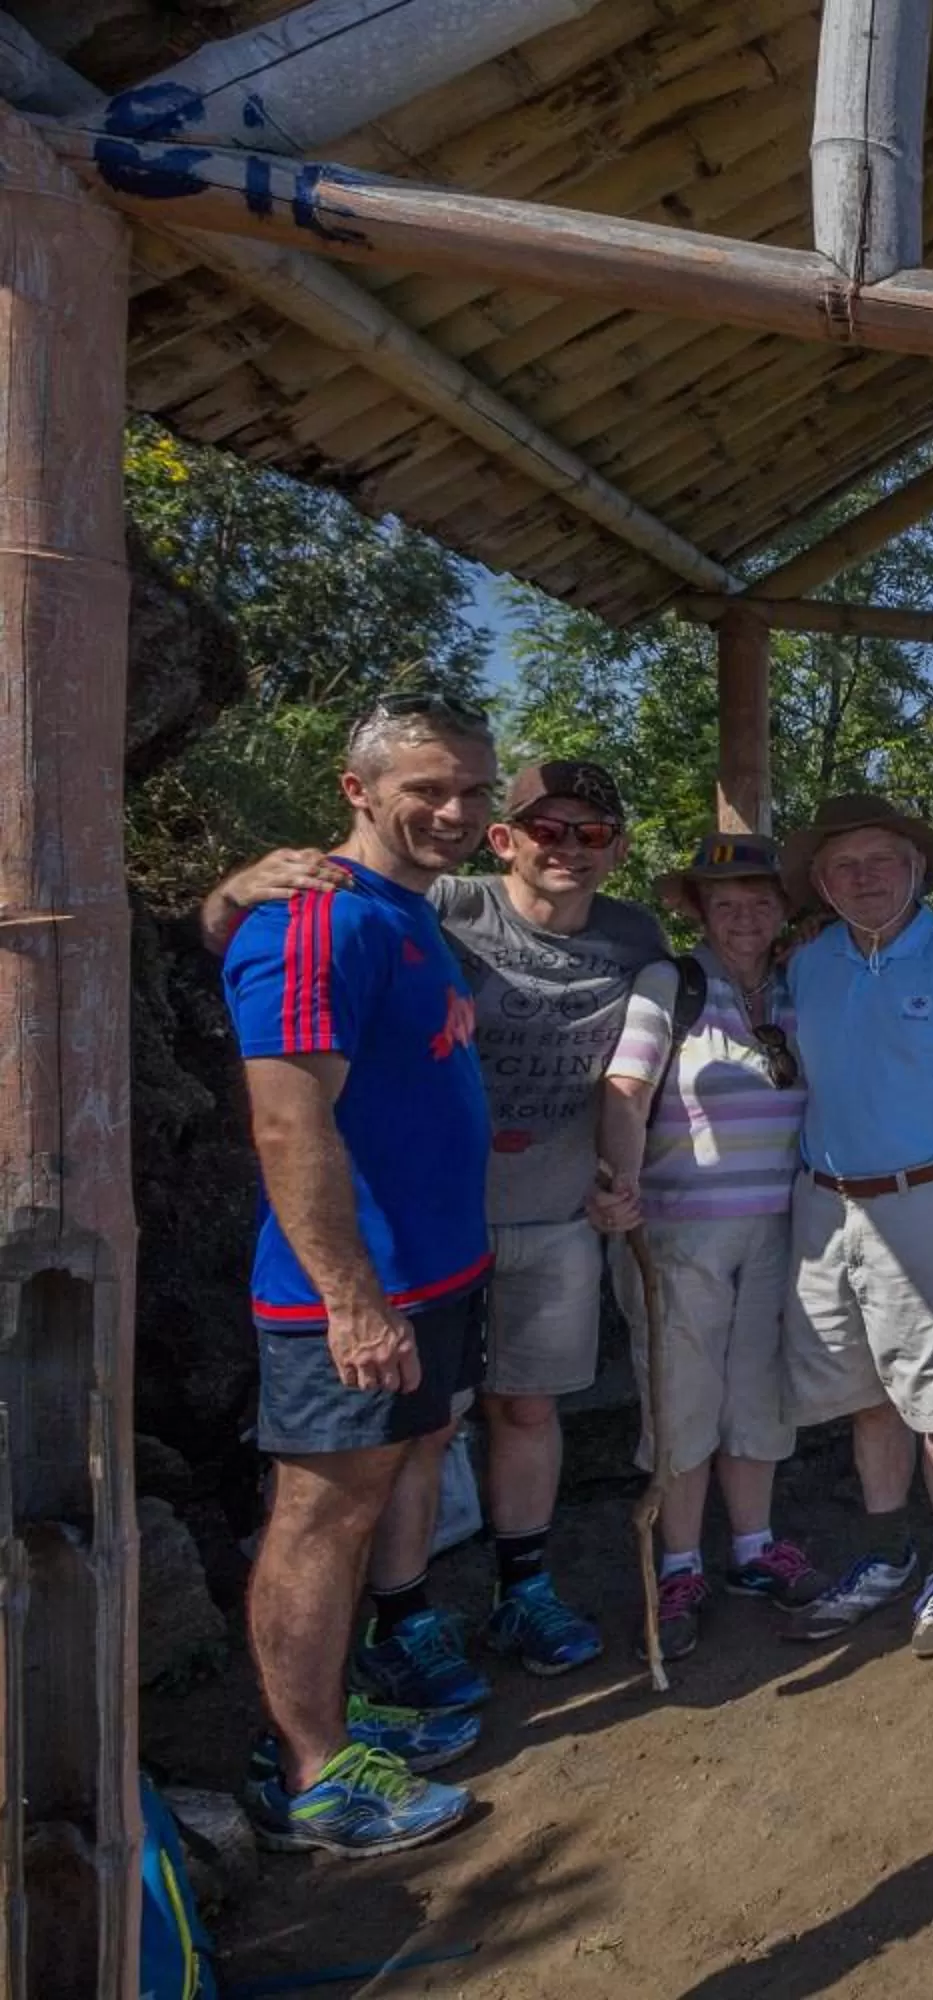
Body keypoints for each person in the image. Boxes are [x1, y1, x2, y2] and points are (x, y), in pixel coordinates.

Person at [205, 757, 668, 1689]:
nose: (568, 849)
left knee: (528, 1407)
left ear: (615, 849)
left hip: (551, 1212)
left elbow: (626, 1075)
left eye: (591, 834)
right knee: (422, 1430)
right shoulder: (435, 907)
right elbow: (264, 938)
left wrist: (621, 1173)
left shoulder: (633, 936)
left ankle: (522, 1589)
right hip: (428, 1229)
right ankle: (407, 1617)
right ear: (505, 839)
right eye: (547, 829)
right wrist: (228, 895)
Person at [221, 693, 496, 1855]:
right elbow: (287, 1124)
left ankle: (332, 1711)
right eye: (427, 786)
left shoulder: (401, 912)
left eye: (474, 789)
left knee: (372, 1494)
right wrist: (350, 1295)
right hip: (352, 1294)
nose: (453, 810)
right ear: (357, 788)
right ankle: (314, 1767)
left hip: (429, 1275)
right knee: (320, 1516)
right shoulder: (320, 921)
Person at [776, 795, 933, 1659]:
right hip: (826, 1204)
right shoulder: (809, 967)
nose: (865, 878)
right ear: (820, 882)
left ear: (917, 868)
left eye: (883, 861)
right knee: (865, 1391)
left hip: (929, 1200)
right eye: (844, 866)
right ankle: (888, 1553)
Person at [589, 834, 829, 1658]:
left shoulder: (795, 990)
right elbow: (624, 1091)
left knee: (756, 1390)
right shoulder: (673, 986)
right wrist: (620, 1181)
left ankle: (754, 1548)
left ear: (782, 909)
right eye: (725, 902)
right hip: (680, 1228)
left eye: (760, 900)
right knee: (682, 1395)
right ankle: (682, 1561)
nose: (745, 916)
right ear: (697, 909)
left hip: (776, 1227)